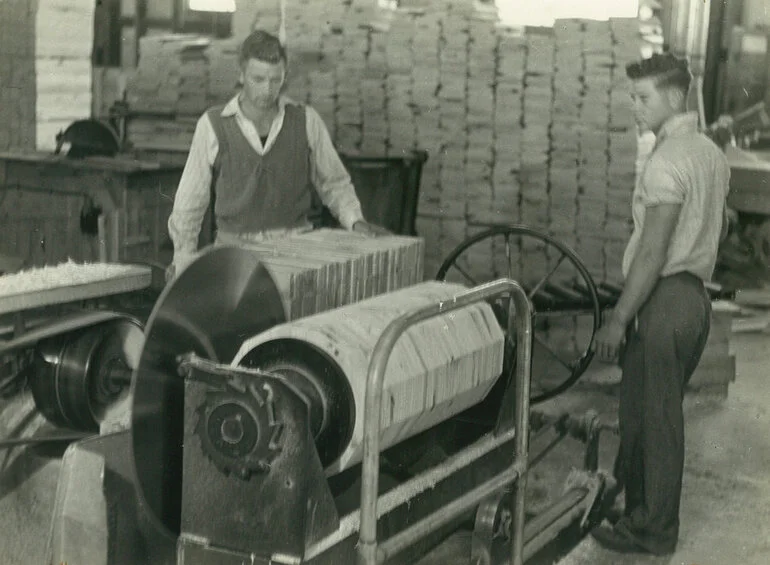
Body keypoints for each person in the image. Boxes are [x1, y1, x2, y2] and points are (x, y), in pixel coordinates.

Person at [590, 53, 730, 555]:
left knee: (653, 419)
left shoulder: (667, 161)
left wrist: (619, 318)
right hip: (693, 301)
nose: (634, 106)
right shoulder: (709, 153)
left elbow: (653, 250)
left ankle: (651, 530)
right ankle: (639, 511)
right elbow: (719, 225)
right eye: (632, 96)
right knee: (653, 414)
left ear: (674, 98)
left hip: (666, 300)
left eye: (642, 97)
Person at [167, 30, 386, 279]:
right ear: (241, 75)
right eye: (258, 79)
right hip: (235, 253)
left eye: (275, 80)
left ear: (285, 76)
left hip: (296, 251)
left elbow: (334, 183)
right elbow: (190, 202)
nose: (267, 89)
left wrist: (355, 221)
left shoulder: (306, 120)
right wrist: (183, 260)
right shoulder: (213, 125)